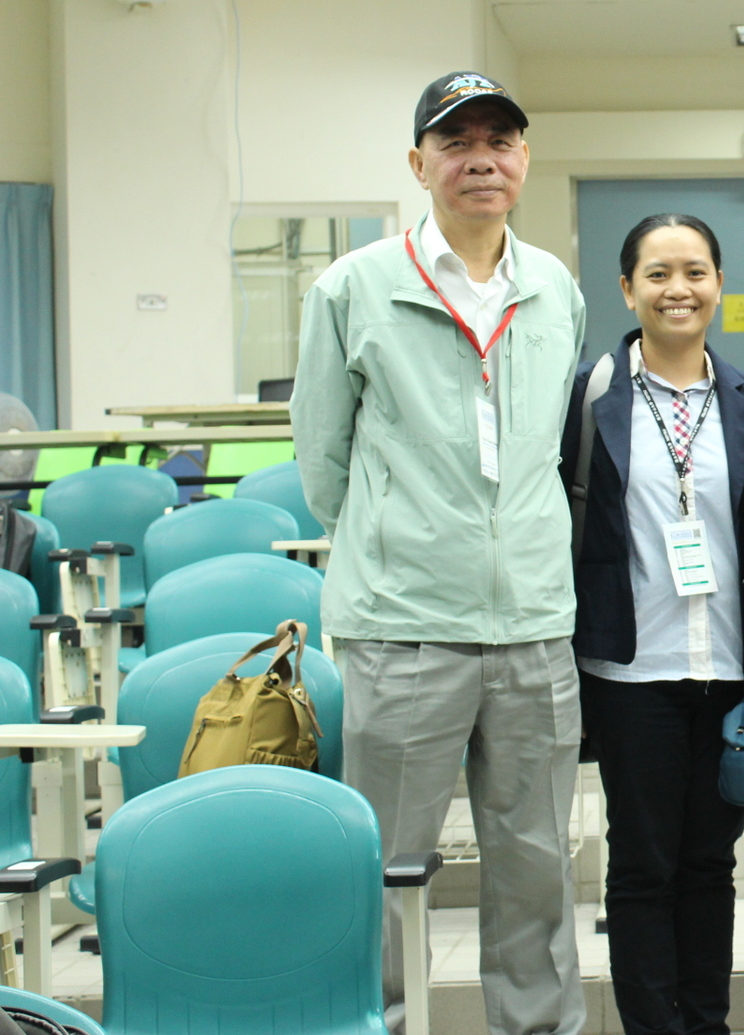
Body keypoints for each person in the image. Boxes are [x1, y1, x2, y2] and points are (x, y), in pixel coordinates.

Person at [292, 71, 587, 1035]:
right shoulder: (353, 286)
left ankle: (536, 1028)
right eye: (457, 143)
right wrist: (400, 541)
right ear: (419, 164)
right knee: (383, 863)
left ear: (525, 161)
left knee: (537, 862)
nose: (481, 160)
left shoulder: (556, 288)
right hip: (405, 627)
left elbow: (547, 448)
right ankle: (369, 1021)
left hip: (534, 624)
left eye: (500, 141)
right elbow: (323, 460)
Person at [559, 214, 744, 1035]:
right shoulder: (588, 398)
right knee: (643, 864)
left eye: (694, 272)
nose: (677, 289)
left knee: (709, 863)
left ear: (719, 283)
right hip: (629, 669)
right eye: (657, 274)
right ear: (626, 289)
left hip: (727, 665)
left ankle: (706, 1023)